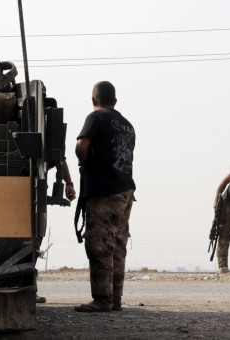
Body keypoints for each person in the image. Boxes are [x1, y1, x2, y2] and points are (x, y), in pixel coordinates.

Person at [74, 81, 136, 312]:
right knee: (118, 246)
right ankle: (115, 298)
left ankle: (102, 299)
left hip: (104, 190)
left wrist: (85, 162)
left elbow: (82, 147)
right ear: (115, 101)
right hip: (126, 191)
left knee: (99, 244)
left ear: (93, 100)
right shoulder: (128, 125)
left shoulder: (96, 118)